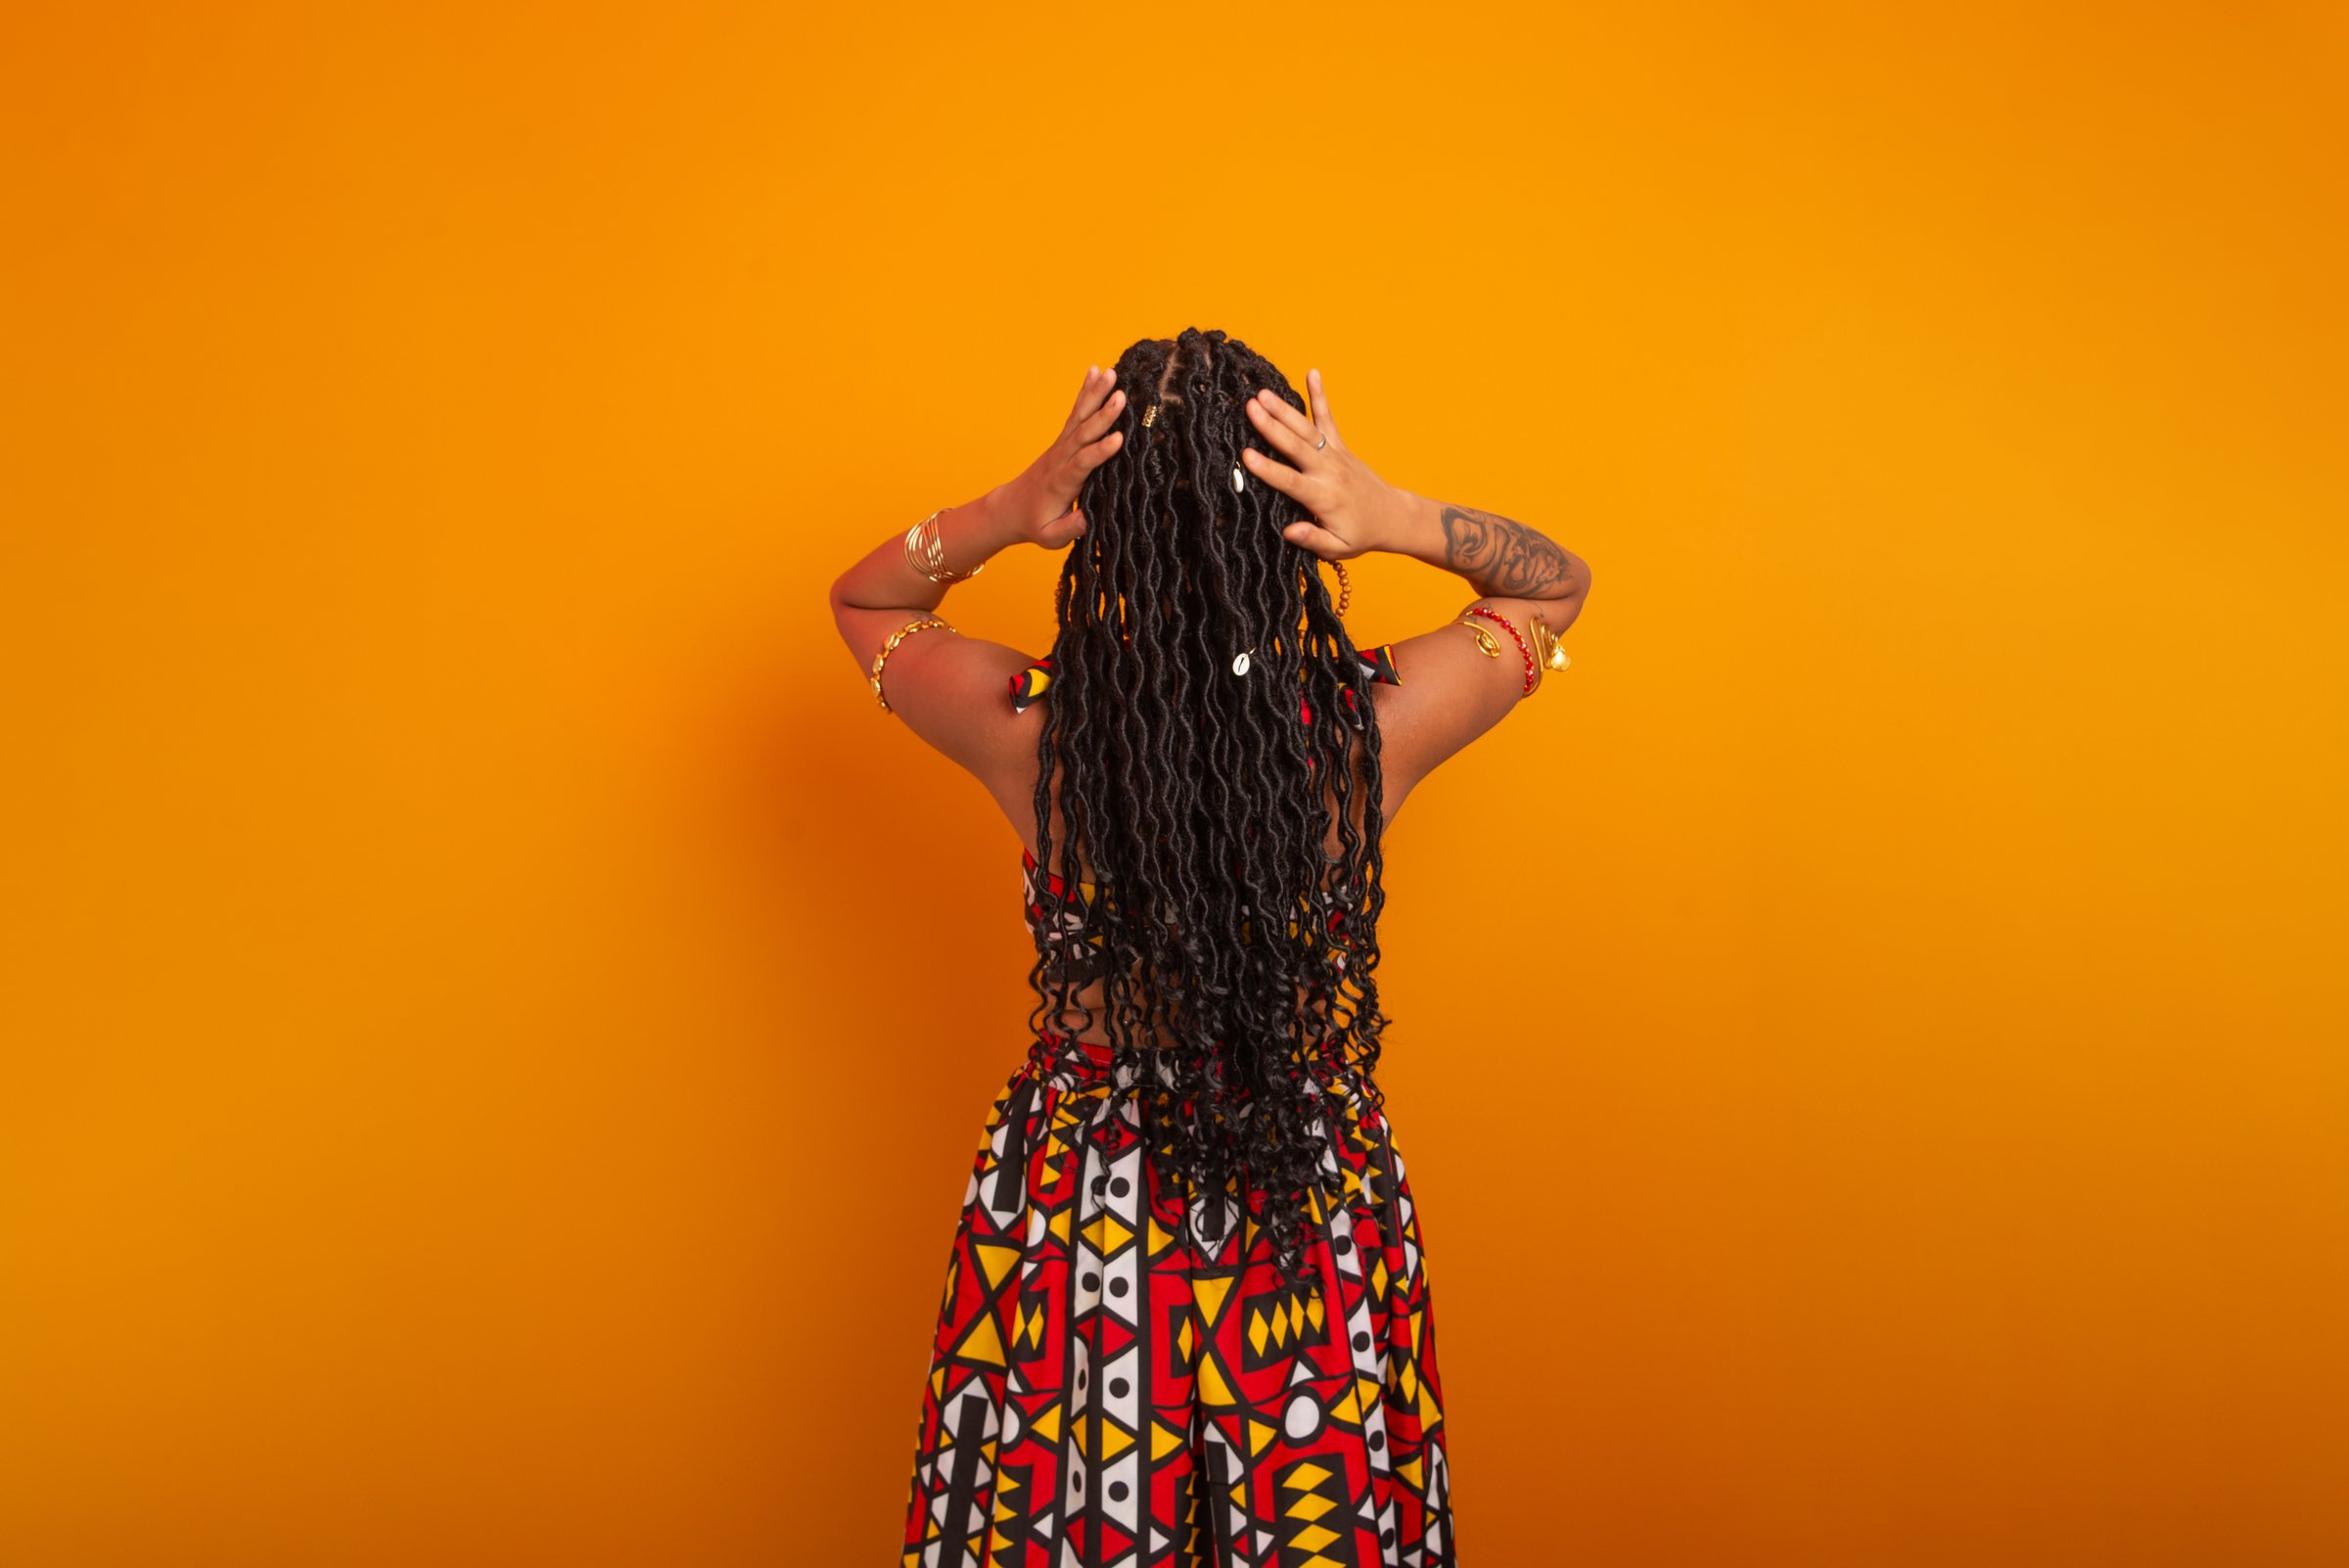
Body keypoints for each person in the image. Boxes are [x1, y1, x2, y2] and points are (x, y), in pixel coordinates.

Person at [829, 327, 1591, 1568]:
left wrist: (1013, 508)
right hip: (1306, 1209)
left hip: (1082, 1226)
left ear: (1104, 527)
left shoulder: (1036, 737)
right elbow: (1551, 589)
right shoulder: (1369, 736)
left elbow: (868, 599)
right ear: (1289, 525)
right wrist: (1386, 513)